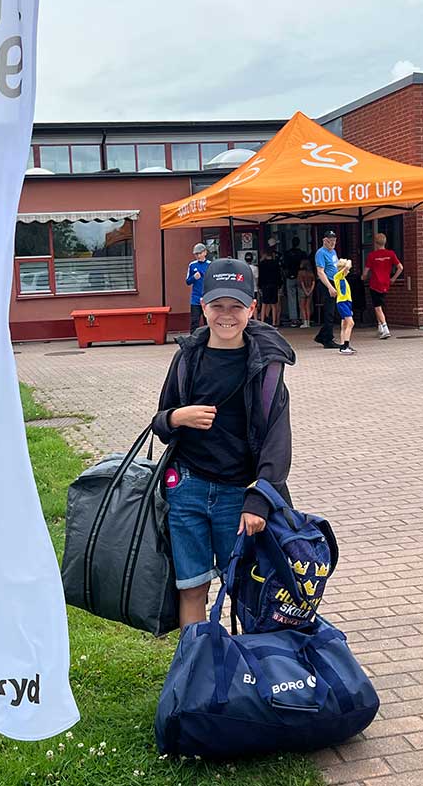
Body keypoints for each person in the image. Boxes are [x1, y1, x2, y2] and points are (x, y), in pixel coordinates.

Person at [151, 258, 296, 629]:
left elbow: (277, 443)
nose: (226, 315)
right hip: (187, 490)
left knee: (249, 591)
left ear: (252, 308)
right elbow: (161, 421)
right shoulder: (187, 358)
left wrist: (260, 499)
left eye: (236, 306)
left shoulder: (267, 367)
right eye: (218, 305)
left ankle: (249, 661)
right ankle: (197, 661)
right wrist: (177, 417)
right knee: (191, 588)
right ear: (203, 307)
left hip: (240, 496)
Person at [362, 232, 403, 339]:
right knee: (379, 305)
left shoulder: (372, 256)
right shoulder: (391, 254)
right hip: (386, 283)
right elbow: (400, 267)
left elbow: (366, 272)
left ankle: (385, 329)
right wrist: (393, 278)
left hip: (375, 284)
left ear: (375, 243)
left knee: (377, 307)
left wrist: (363, 277)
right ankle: (380, 326)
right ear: (385, 242)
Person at [314, 230, 341, 349]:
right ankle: (328, 339)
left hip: (335, 281)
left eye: (334, 241)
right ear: (325, 241)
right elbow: (320, 272)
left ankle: (321, 336)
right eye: (330, 241)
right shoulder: (321, 253)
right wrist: (330, 287)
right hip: (327, 283)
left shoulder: (333, 251)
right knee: (329, 312)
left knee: (333, 311)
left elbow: (336, 266)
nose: (333, 244)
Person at [282, 237, 308, 326]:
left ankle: (294, 318)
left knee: (291, 298)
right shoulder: (302, 254)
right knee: (301, 298)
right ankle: (303, 317)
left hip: (290, 276)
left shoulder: (288, 254)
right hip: (300, 277)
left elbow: (284, 266)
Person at [185, 242, 210, 331]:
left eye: (200, 253)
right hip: (195, 299)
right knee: (194, 321)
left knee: (208, 321)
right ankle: (193, 338)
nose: (198, 256)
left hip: (207, 297)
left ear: (205, 252)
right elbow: (188, 281)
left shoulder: (210, 265)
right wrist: (194, 278)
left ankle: (209, 338)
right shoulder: (192, 265)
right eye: (196, 254)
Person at [333, 258, 356, 355]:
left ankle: (343, 345)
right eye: (347, 270)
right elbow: (347, 266)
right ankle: (346, 345)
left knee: (345, 325)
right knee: (351, 323)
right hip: (342, 302)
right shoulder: (338, 276)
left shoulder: (344, 279)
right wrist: (348, 261)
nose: (348, 271)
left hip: (346, 302)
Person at [258, 247, 283, 327]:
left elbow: (260, 276)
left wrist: (259, 286)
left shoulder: (262, 264)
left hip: (265, 285)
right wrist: (279, 285)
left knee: (264, 304)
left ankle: (262, 321)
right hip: (274, 285)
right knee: (274, 304)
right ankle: (274, 322)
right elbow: (278, 275)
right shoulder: (275, 263)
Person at [298, 260, 315, 328]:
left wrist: (305, 291)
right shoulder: (311, 273)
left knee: (302, 306)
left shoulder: (301, 273)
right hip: (310, 289)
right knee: (308, 306)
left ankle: (304, 322)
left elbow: (301, 283)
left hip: (303, 290)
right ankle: (308, 322)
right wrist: (310, 291)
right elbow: (313, 282)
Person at [243, 252, 260, 318]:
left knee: (246, 304)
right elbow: (257, 279)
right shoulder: (255, 268)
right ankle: (255, 319)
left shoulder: (243, 268)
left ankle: (247, 318)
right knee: (254, 305)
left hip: (245, 289)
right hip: (254, 289)